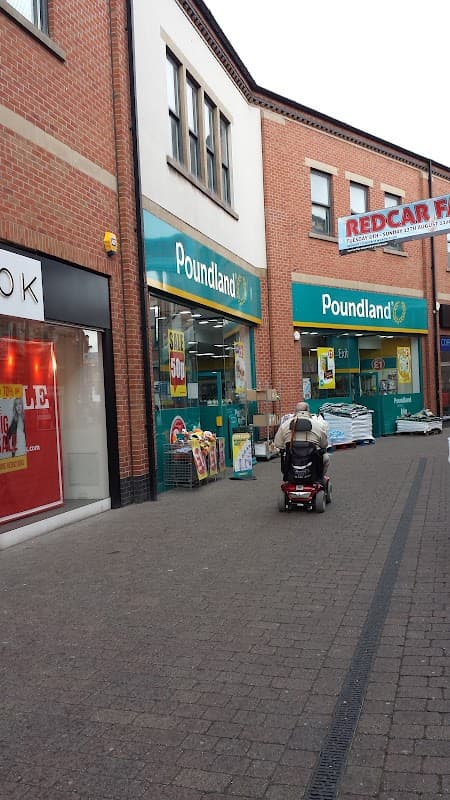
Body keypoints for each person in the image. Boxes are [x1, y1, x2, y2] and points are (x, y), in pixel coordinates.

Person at [274, 401, 330, 472]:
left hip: (292, 460)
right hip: (312, 461)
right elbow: (324, 444)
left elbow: (278, 444)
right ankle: (321, 478)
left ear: (295, 411)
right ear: (308, 410)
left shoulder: (285, 425)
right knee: (326, 458)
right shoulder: (318, 425)